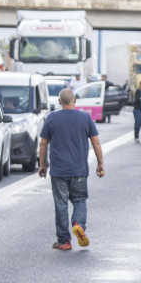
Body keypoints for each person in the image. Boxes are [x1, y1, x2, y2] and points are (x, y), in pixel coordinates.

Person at [38, 88, 105, 250]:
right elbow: (95, 142)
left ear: (59, 101)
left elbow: (43, 143)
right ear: (74, 100)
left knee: (61, 204)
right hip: (79, 169)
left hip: (58, 170)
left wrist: (42, 164)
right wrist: (100, 163)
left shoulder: (52, 118)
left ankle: (64, 241)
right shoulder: (85, 118)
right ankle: (78, 224)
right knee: (79, 199)